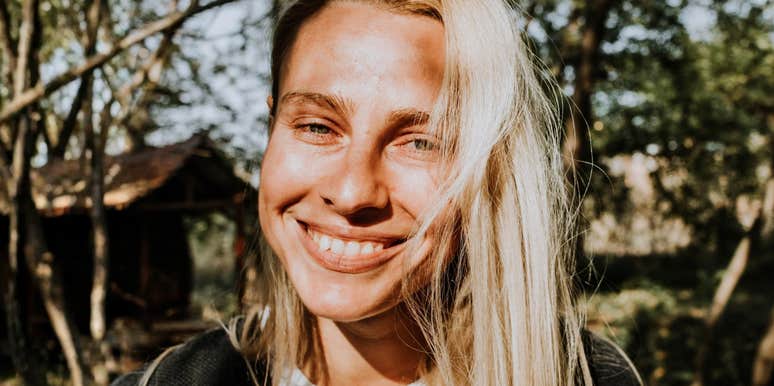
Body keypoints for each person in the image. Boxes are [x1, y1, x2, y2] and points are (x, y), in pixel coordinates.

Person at [113, 0, 642, 385]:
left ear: (493, 168)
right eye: (317, 127)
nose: (351, 192)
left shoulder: (588, 377)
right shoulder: (172, 380)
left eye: (422, 142)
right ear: (272, 127)